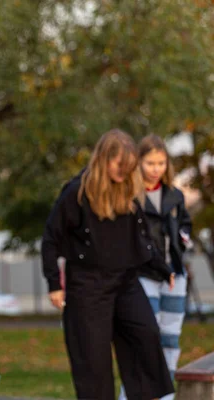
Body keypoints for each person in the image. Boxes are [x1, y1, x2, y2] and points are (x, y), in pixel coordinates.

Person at [42, 129, 175, 400]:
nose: (124, 173)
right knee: (94, 363)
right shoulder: (77, 192)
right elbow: (50, 238)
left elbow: (142, 239)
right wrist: (55, 283)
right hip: (88, 287)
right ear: (104, 159)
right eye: (119, 166)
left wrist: (163, 268)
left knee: (146, 334)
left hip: (125, 282)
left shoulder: (128, 190)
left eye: (129, 168)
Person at [119, 134, 192, 400]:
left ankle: (165, 395)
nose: (155, 169)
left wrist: (184, 238)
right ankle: (131, 393)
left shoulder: (175, 195)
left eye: (161, 163)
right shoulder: (130, 194)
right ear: (138, 162)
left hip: (175, 274)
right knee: (143, 335)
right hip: (144, 273)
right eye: (150, 163)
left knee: (170, 337)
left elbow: (185, 223)